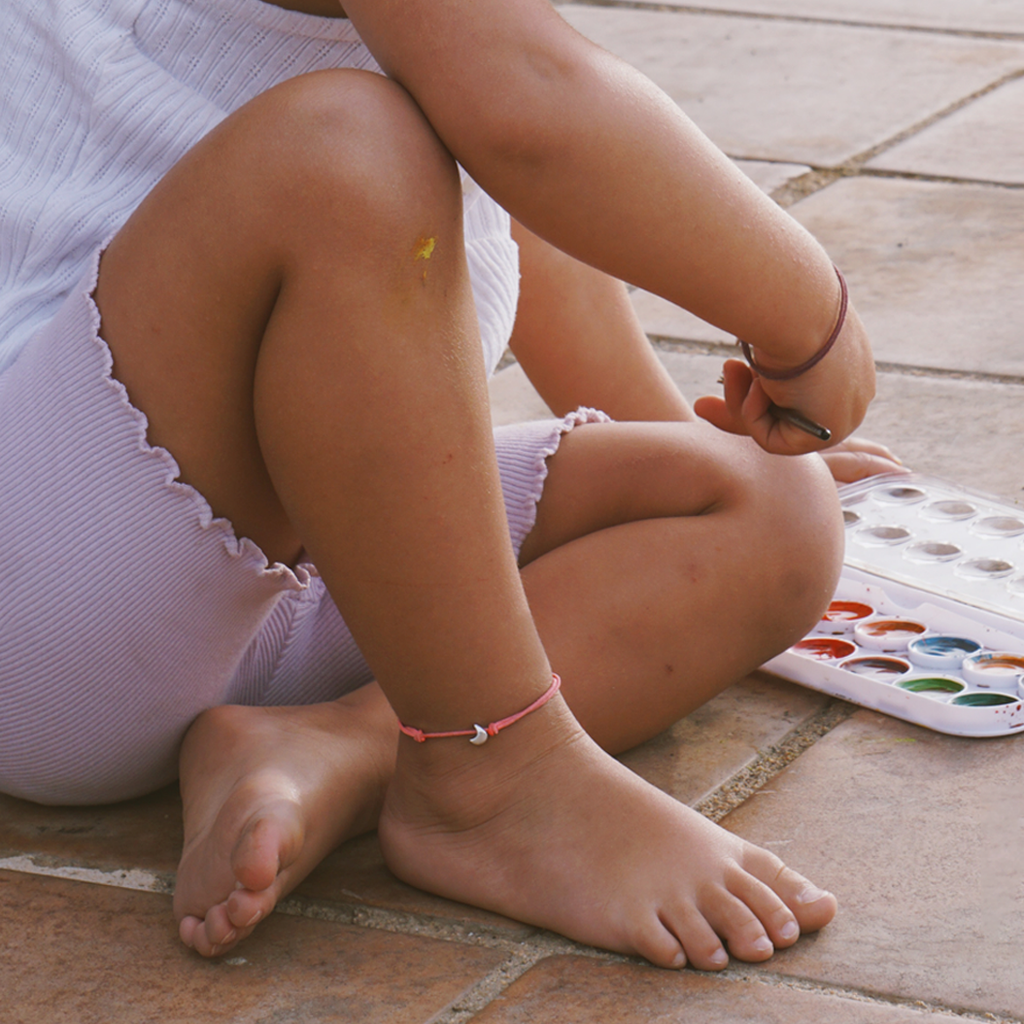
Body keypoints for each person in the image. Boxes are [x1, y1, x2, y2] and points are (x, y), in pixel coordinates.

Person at [0, 0, 900, 970]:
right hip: (57, 567)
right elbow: (520, 104)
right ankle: (494, 774)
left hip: (302, 568)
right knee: (344, 154)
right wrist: (810, 316)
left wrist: (673, 443)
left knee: (772, 505)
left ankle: (342, 745)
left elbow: (502, 163)